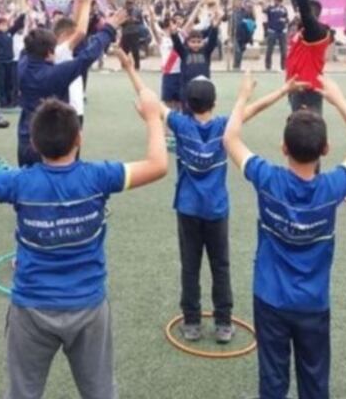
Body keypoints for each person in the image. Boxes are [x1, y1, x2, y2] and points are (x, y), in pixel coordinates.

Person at [0, 89, 169, 399]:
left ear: (34, 143)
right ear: (78, 138)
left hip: (31, 309)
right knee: (101, 393)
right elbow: (159, 164)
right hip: (88, 307)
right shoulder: (98, 177)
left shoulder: (20, 182)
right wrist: (152, 118)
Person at [117, 51, 307, 346]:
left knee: (190, 265)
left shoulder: (180, 125)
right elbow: (254, 108)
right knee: (221, 265)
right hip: (217, 211)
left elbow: (149, 99)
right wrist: (283, 90)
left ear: (187, 104)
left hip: (188, 210)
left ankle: (191, 323)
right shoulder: (223, 128)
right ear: (214, 103)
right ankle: (223, 324)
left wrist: (131, 69)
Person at [222, 72, 346, 399]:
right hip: (313, 303)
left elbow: (230, 138)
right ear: (326, 149)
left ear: (283, 147)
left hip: (270, 298)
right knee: (315, 381)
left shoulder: (267, 178)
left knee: (273, 382)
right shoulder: (332, 187)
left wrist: (243, 96)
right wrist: (338, 100)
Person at [15, 0, 124, 167]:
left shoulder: (23, 62)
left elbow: (42, 42)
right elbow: (86, 57)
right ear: (50, 53)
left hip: (25, 137)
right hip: (48, 140)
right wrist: (109, 29)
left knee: (28, 186)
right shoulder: (52, 75)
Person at [285, 0, 332, 113]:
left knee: (308, 132)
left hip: (308, 92)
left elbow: (304, 11)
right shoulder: (303, 31)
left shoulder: (316, 33)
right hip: (295, 89)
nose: (298, 14)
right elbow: (299, 10)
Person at [52, 0, 93, 128]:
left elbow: (74, 26)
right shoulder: (60, 51)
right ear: (63, 35)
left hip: (70, 106)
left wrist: (78, 2)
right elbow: (80, 32)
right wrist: (87, 2)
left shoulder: (57, 49)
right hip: (70, 109)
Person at [171, 0, 222, 102]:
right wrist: (173, 33)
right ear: (188, 42)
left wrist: (215, 27)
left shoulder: (206, 52)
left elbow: (212, 41)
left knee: (202, 114)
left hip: (203, 90)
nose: (196, 44)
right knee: (187, 114)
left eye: (199, 42)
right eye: (193, 42)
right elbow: (177, 44)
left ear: (202, 42)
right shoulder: (184, 52)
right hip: (187, 90)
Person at [0, 11, 26, 109]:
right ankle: (3, 102)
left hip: (10, 61)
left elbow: (17, 25)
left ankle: (11, 101)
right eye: (1, 24)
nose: (4, 26)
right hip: (1, 62)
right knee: (1, 84)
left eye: (5, 24)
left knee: (10, 83)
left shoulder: (10, 33)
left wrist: (23, 14)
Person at [264, 0, 289, 72]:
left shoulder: (284, 9)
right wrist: (266, 2)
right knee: (269, 50)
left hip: (282, 31)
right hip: (272, 30)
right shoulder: (270, 8)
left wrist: (284, 20)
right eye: (277, 1)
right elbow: (264, 11)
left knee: (284, 50)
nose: (278, 2)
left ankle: (283, 67)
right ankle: (268, 66)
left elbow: (287, 19)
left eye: (280, 1)